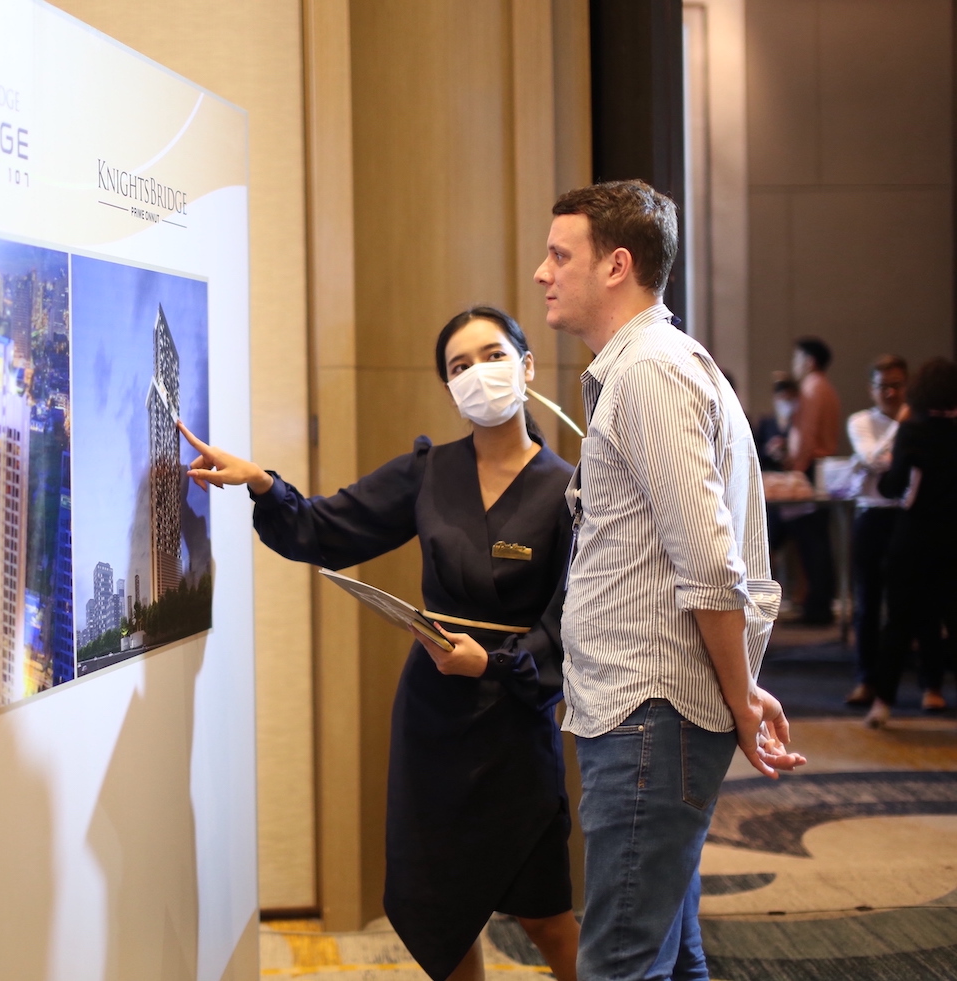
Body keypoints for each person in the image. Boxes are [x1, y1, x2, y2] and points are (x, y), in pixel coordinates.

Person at [180, 307, 580, 981]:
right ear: (448, 389)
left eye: (492, 356)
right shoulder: (428, 471)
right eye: (459, 366)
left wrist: (494, 661)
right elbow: (325, 527)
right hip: (433, 719)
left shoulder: (569, 489)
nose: (478, 374)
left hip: (516, 714)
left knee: (546, 914)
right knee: (443, 913)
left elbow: (574, 619)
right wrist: (262, 483)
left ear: (527, 365)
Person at [533, 179, 805, 981]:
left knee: (621, 963)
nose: (543, 273)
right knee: (670, 958)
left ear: (617, 265)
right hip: (652, 713)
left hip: (650, 717)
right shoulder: (652, 366)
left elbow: (710, 566)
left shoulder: (651, 371)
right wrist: (738, 686)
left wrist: (741, 697)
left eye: (559, 255)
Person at [865, 357, 957, 727]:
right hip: (953, 538)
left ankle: (882, 704)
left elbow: (893, 485)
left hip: (914, 536)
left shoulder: (913, 431)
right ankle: (934, 688)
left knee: (899, 622)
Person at [845, 355, 908, 707]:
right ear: (871, 389)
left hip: (906, 517)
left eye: (897, 385)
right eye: (883, 386)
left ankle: (904, 684)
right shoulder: (861, 421)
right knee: (867, 603)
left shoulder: (917, 422)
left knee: (905, 604)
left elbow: (881, 463)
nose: (890, 392)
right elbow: (874, 459)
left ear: (907, 386)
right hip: (871, 516)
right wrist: (902, 424)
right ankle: (866, 679)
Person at [784, 336, 842, 624]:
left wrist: (796, 471)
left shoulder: (811, 388)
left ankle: (816, 607)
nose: (793, 364)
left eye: (797, 358)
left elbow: (806, 437)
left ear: (809, 361)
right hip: (821, 467)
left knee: (811, 541)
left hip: (809, 468)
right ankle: (819, 604)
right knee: (817, 538)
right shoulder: (825, 387)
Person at [754, 374, 800, 472]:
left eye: (789, 399)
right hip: (769, 474)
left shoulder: (798, 426)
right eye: (781, 399)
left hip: (793, 474)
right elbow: (755, 455)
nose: (785, 403)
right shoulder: (765, 424)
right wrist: (769, 449)